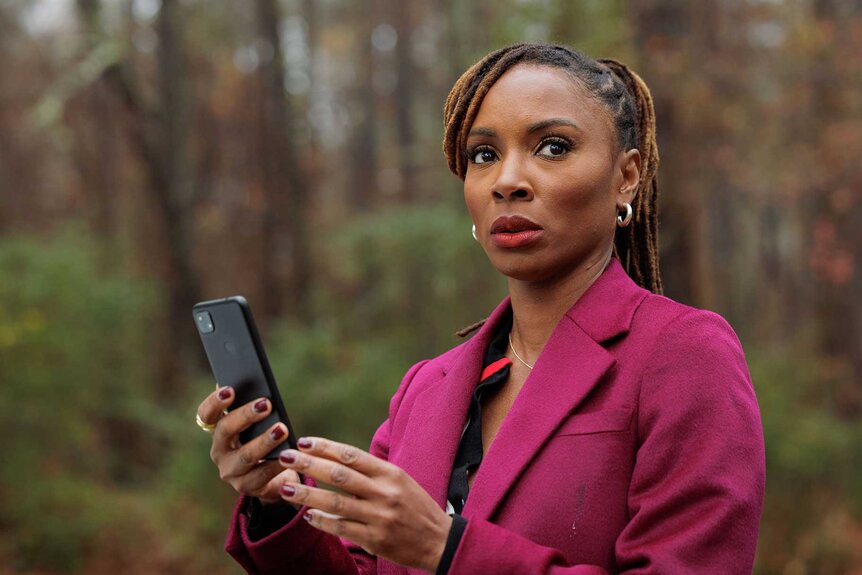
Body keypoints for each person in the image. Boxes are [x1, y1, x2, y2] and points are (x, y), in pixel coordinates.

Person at [195, 43, 765, 574]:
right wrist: (273, 503)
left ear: (626, 177)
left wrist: (447, 548)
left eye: (553, 147)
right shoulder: (426, 388)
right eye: (484, 155)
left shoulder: (683, 354)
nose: (508, 181)